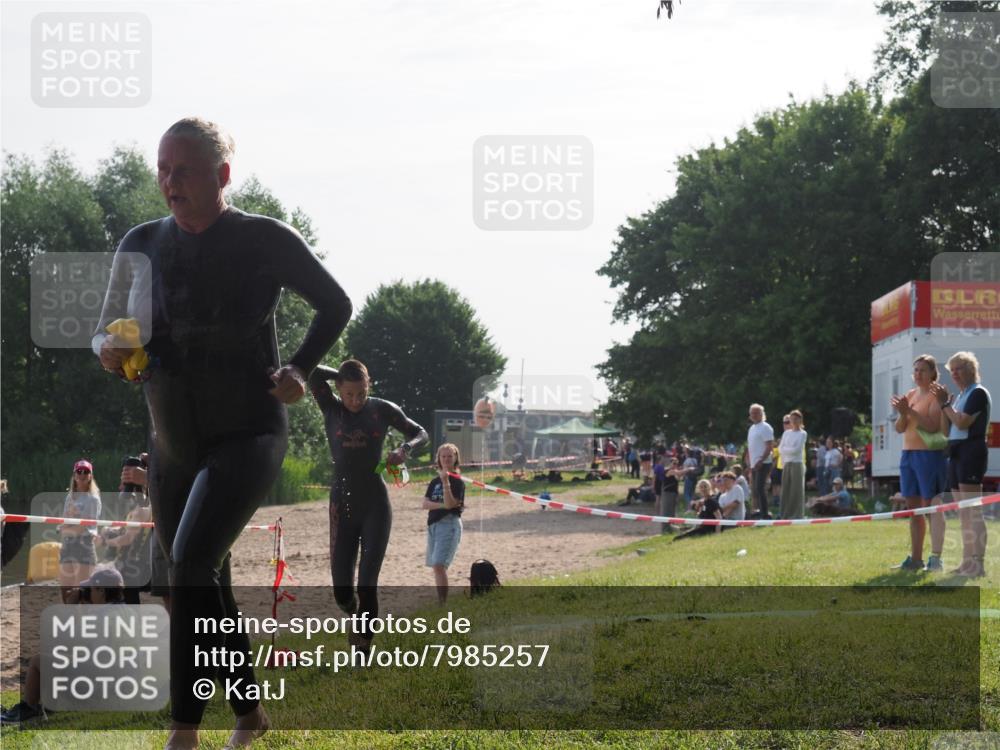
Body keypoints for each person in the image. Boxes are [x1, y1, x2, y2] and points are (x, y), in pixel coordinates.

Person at [94, 117, 352, 750]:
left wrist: (300, 367)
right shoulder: (142, 242)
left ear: (223, 176)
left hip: (250, 432)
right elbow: (103, 329)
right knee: (208, 581)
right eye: (162, 169)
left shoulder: (264, 240)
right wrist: (107, 347)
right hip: (172, 443)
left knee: (186, 566)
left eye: (182, 171)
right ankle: (249, 713)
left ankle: (184, 731)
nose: (168, 183)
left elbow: (335, 303)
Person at [309, 360, 428, 654]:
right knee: (342, 592)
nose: (355, 401)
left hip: (375, 504)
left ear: (369, 386)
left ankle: (361, 651)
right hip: (342, 503)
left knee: (367, 584)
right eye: (349, 394)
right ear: (339, 390)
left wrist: (404, 449)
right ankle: (355, 616)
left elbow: (420, 433)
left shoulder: (381, 409)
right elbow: (311, 370)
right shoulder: (331, 407)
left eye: (361, 393)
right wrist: (342, 373)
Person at [0, 567, 126, 726]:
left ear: (101, 591)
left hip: (102, 687)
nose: (87, 592)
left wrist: (71, 608)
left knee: (39, 661)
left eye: (91, 589)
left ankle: (28, 708)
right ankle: (48, 705)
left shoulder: (101, 616)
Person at [933, 351, 991, 578]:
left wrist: (946, 405)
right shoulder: (959, 396)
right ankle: (967, 562)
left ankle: (979, 563)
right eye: (952, 370)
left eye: (959, 369)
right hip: (955, 451)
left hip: (971, 451)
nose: (955, 374)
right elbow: (946, 430)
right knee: (962, 512)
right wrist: (942, 406)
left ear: (970, 369)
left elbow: (962, 421)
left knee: (973, 510)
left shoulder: (978, 393)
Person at [889, 355, 948, 572]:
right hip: (909, 455)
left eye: (922, 370)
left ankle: (936, 558)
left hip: (929, 456)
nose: (917, 374)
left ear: (933, 373)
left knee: (931, 507)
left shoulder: (937, 395)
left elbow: (933, 427)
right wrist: (903, 414)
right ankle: (915, 559)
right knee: (913, 510)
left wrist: (909, 411)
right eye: (915, 370)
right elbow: (899, 427)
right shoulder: (911, 394)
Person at [96, 453, 153, 603]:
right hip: (131, 562)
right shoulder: (140, 505)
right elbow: (128, 531)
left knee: (128, 601)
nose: (120, 487)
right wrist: (108, 531)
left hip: (134, 564)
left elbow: (128, 538)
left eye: (124, 483)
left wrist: (105, 542)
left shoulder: (142, 508)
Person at [423, 443, 464, 604]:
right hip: (433, 524)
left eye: (449, 456)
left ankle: (442, 603)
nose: (446, 459)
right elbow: (425, 504)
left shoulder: (457, 481)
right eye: (443, 456)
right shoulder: (434, 481)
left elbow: (451, 503)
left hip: (449, 524)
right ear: (438, 459)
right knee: (435, 565)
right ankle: (441, 601)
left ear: (455, 459)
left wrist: (446, 482)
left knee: (439, 565)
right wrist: (443, 505)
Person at [58, 459, 102, 602]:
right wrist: (70, 519)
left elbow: (83, 527)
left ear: (90, 476)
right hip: (68, 545)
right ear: (74, 475)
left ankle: (83, 623)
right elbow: (63, 523)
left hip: (83, 545)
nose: (82, 474)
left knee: (81, 594)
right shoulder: (69, 497)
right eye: (79, 471)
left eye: (86, 472)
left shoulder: (93, 499)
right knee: (66, 593)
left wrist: (67, 528)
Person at [778, 410, 808, 520]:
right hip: (787, 463)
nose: (794, 421)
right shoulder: (786, 433)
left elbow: (797, 450)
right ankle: (785, 514)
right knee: (786, 489)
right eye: (792, 419)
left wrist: (786, 450)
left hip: (797, 463)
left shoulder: (803, 433)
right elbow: (780, 448)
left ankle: (797, 514)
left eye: (796, 419)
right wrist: (786, 450)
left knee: (796, 490)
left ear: (800, 420)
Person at [747, 404, 774, 519]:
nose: (754, 415)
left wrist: (761, 460)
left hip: (763, 462)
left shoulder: (766, 427)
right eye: (752, 413)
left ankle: (765, 514)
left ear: (762, 414)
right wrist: (749, 463)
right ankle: (759, 511)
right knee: (755, 490)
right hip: (754, 463)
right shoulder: (752, 428)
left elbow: (769, 446)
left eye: (756, 413)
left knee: (760, 488)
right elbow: (751, 447)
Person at [658, 457, 682, 534]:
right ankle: (665, 530)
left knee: (672, 512)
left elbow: (678, 478)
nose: (675, 465)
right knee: (666, 512)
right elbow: (678, 473)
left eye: (676, 463)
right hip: (667, 494)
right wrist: (688, 469)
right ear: (670, 463)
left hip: (673, 494)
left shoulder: (675, 472)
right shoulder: (667, 471)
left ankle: (671, 528)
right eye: (674, 463)